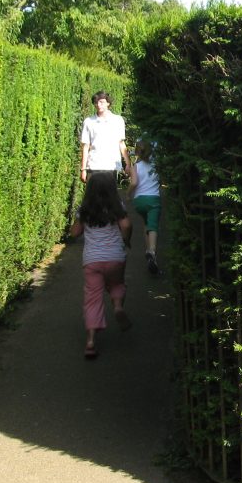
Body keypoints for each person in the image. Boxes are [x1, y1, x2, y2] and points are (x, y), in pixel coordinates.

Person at [68, 172, 132, 358]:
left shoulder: (85, 208)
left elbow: (75, 233)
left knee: (92, 298)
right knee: (117, 284)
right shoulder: (117, 206)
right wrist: (126, 240)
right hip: (115, 257)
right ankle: (118, 306)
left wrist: (77, 222)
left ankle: (90, 342)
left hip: (92, 260)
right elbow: (126, 225)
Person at [79, 90, 130, 184]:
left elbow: (121, 143)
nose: (98, 105)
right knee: (93, 198)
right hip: (93, 166)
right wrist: (83, 169)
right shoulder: (89, 121)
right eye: (96, 102)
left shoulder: (118, 120)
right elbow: (85, 147)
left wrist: (128, 164)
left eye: (101, 102)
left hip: (111, 166)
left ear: (108, 103)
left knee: (110, 197)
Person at [130, 139, 162, 275]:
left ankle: (147, 249)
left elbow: (134, 183)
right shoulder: (157, 166)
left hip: (139, 202)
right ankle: (152, 252)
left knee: (146, 223)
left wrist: (127, 194)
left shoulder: (135, 166)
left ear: (138, 151)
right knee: (153, 226)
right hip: (153, 200)